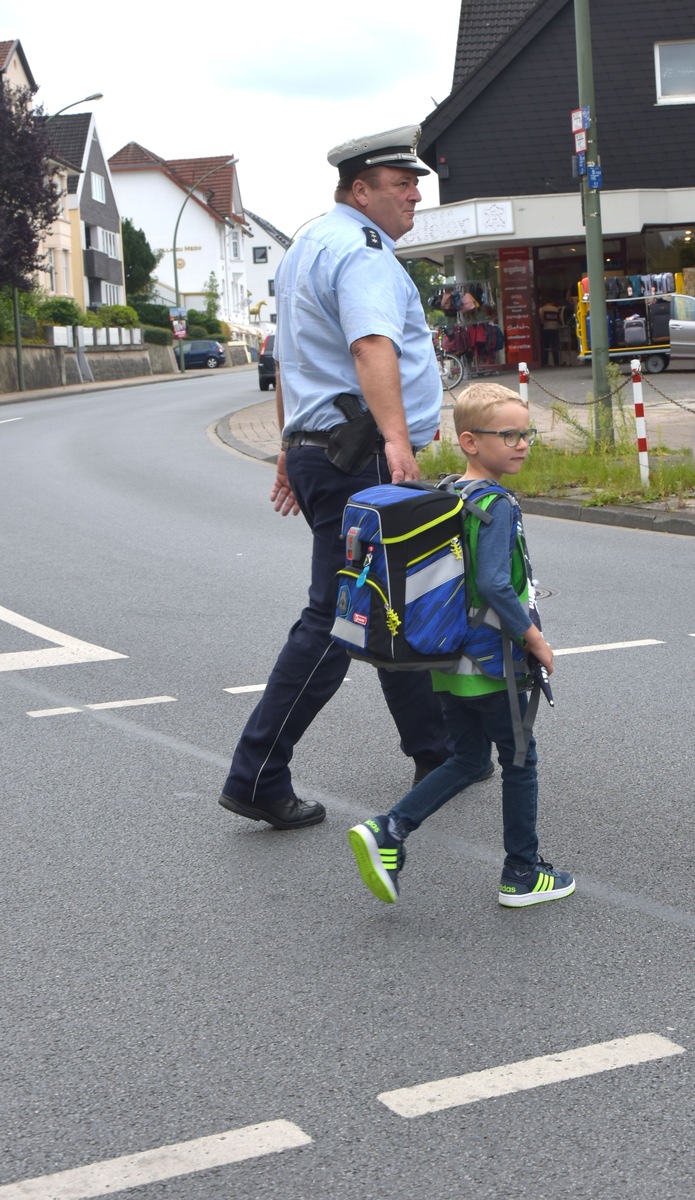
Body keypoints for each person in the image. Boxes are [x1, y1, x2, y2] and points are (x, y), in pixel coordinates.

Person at [219, 125, 492, 831]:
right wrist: (397, 442)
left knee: (388, 601)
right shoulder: (364, 253)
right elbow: (369, 345)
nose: (414, 194)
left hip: (321, 448)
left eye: (416, 184)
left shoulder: (309, 243)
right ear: (359, 189)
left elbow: (287, 360)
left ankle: (434, 751)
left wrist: (287, 446)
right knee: (337, 618)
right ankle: (257, 772)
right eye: (401, 184)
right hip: (362, 453)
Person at [348, 381, 575, 908]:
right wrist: (535, 638)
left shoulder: (451, 493)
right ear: (470, 441)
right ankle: (522, 872)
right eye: (509, 435)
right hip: (495, 659)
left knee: (471, 760)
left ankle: (391, 830)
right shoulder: (496, 504)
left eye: (527, 434)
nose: (521, 444)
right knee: (520, 760)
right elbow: (496, 584)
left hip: (448, 659)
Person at [538, 297, 563, 366]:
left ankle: (545, 362)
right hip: (555, 328)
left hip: (546, 329)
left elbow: (541, 319)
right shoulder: (556, 309)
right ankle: (556, 362)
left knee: (545, 346)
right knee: (555, 346)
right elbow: (559, 319)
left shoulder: (541, 309)